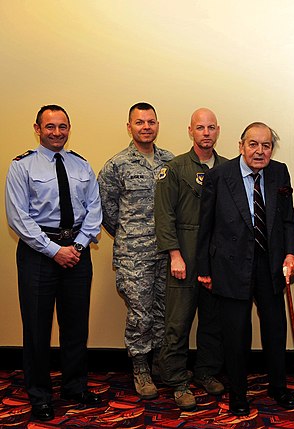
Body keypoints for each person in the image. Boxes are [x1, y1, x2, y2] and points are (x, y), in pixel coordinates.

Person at [5, 105, 102, 421]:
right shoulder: (22, 167)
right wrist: (53, 250)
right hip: (38, 254)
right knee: (37, 328)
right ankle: (40, 395)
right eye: (50, 127)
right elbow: (18, 218)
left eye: (63, 126)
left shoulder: (81, 165)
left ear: (69, 128)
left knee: (76, 326)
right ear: (37, 128)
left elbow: (94, 210)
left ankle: (75, 387)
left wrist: (76, 246)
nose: (57, 132)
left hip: (76, 250)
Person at [197, 122, 294, 416]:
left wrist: (291, 253)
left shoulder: (279, 172)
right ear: (241, 146)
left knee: (275, 330)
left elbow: (288, 221)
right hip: (230, 267)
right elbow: (206, 226)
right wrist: (204, 268)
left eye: (266, 145)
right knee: (236, 335)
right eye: (253, 144)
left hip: (270, 266)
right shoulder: (219, 175)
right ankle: (238, 394)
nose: (260, 151)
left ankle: (278, 388)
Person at [98, 102, 174, 400]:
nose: (146, 127)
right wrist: (130, 236)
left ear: (157, 125)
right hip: (134, 255)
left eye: (151, 122)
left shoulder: (170, 161)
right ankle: (140, 367)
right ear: (129, 126)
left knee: (162, 311)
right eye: (139, 122)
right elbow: (106, 209)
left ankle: (158, 363)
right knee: (140, 313)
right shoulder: (117, 165)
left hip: (167, 252)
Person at [154, 108, 227, 411]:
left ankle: (206, 371)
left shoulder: (227, 168)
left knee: (213, 320)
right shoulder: (175, 169)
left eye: (211, 127)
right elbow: (164, 215)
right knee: (178, 322)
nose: (206, 133)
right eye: (200, 127)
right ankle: (176, 380)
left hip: (215, 258)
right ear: (191, 131)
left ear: (217, 131)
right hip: (184, 255)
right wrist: (174, 255)